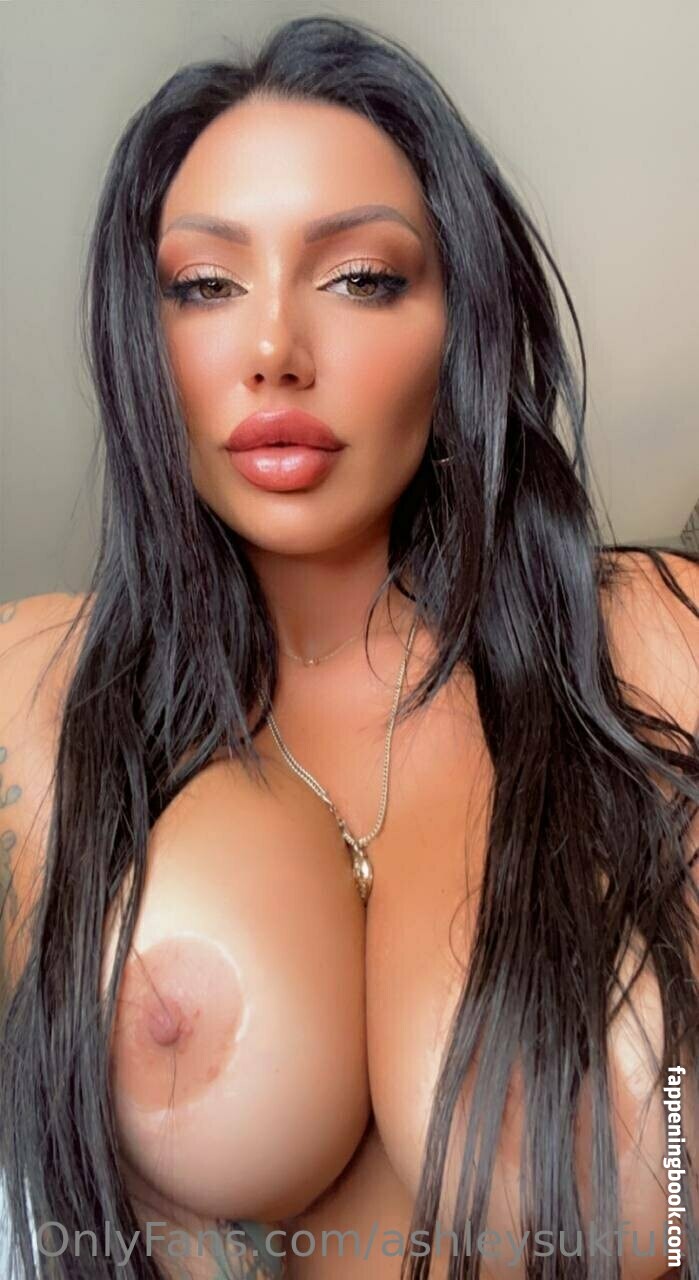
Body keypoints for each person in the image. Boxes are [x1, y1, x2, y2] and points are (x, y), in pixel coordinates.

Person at [0, 13, 697, 1280]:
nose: (273, 350)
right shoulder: (36, 690)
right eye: (205, 285)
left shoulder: (655, 640)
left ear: (462, 323)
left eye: (362, 277)